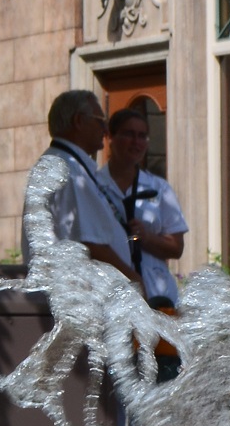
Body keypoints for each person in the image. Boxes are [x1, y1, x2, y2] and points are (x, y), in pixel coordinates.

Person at [40, 90, 139, 284]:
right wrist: (133, 280)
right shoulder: (68, 170)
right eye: (100, 121)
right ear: (79, 121)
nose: (105, 130)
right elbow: (92, 245)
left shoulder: (66, 164)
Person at [104, 103, 187, 310]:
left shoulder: (159, 188)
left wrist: (147, 237)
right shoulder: (94, 186)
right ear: (110, 138)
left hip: (156, 294)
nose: (136, 142)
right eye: (129, 134)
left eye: (142, 136)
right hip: (109, 292)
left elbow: (177, 248)